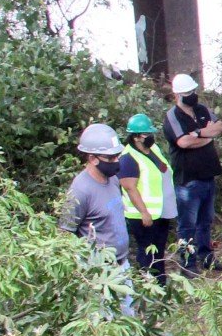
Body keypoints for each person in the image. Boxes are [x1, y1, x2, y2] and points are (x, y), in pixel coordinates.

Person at [162, 73, 222, 275]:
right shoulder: (172, 116)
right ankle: (187, 265)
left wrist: (197, 134)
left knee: (205, 222)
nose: (192, 95)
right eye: (187, 93)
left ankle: (207, 259)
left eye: (192, 91)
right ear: (177, 95)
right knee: (187, 226)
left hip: (208, 175)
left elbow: (219, 127)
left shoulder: (202, 110)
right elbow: (182, 142)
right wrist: (205, 134)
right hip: (187, 181)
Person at [61, 122, 130, 268]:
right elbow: (65, 234)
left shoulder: (112, 178)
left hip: (123, 263)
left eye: (117, 156)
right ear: (93, 159)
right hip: (99, 270)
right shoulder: (80, 190)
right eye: (110, 158)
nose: (116, 161)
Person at [117, 112, 173, 283]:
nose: (150, 137)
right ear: (135, 137)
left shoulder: (153, 149)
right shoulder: (128, 158)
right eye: (146, 134)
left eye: (150, 133)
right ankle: (147, 284)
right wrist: (144, 213)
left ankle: (160, 283)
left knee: (159, 249)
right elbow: (130, 188)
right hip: (143, 215)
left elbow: (163, 170)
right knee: (147, 251)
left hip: (160, 212)